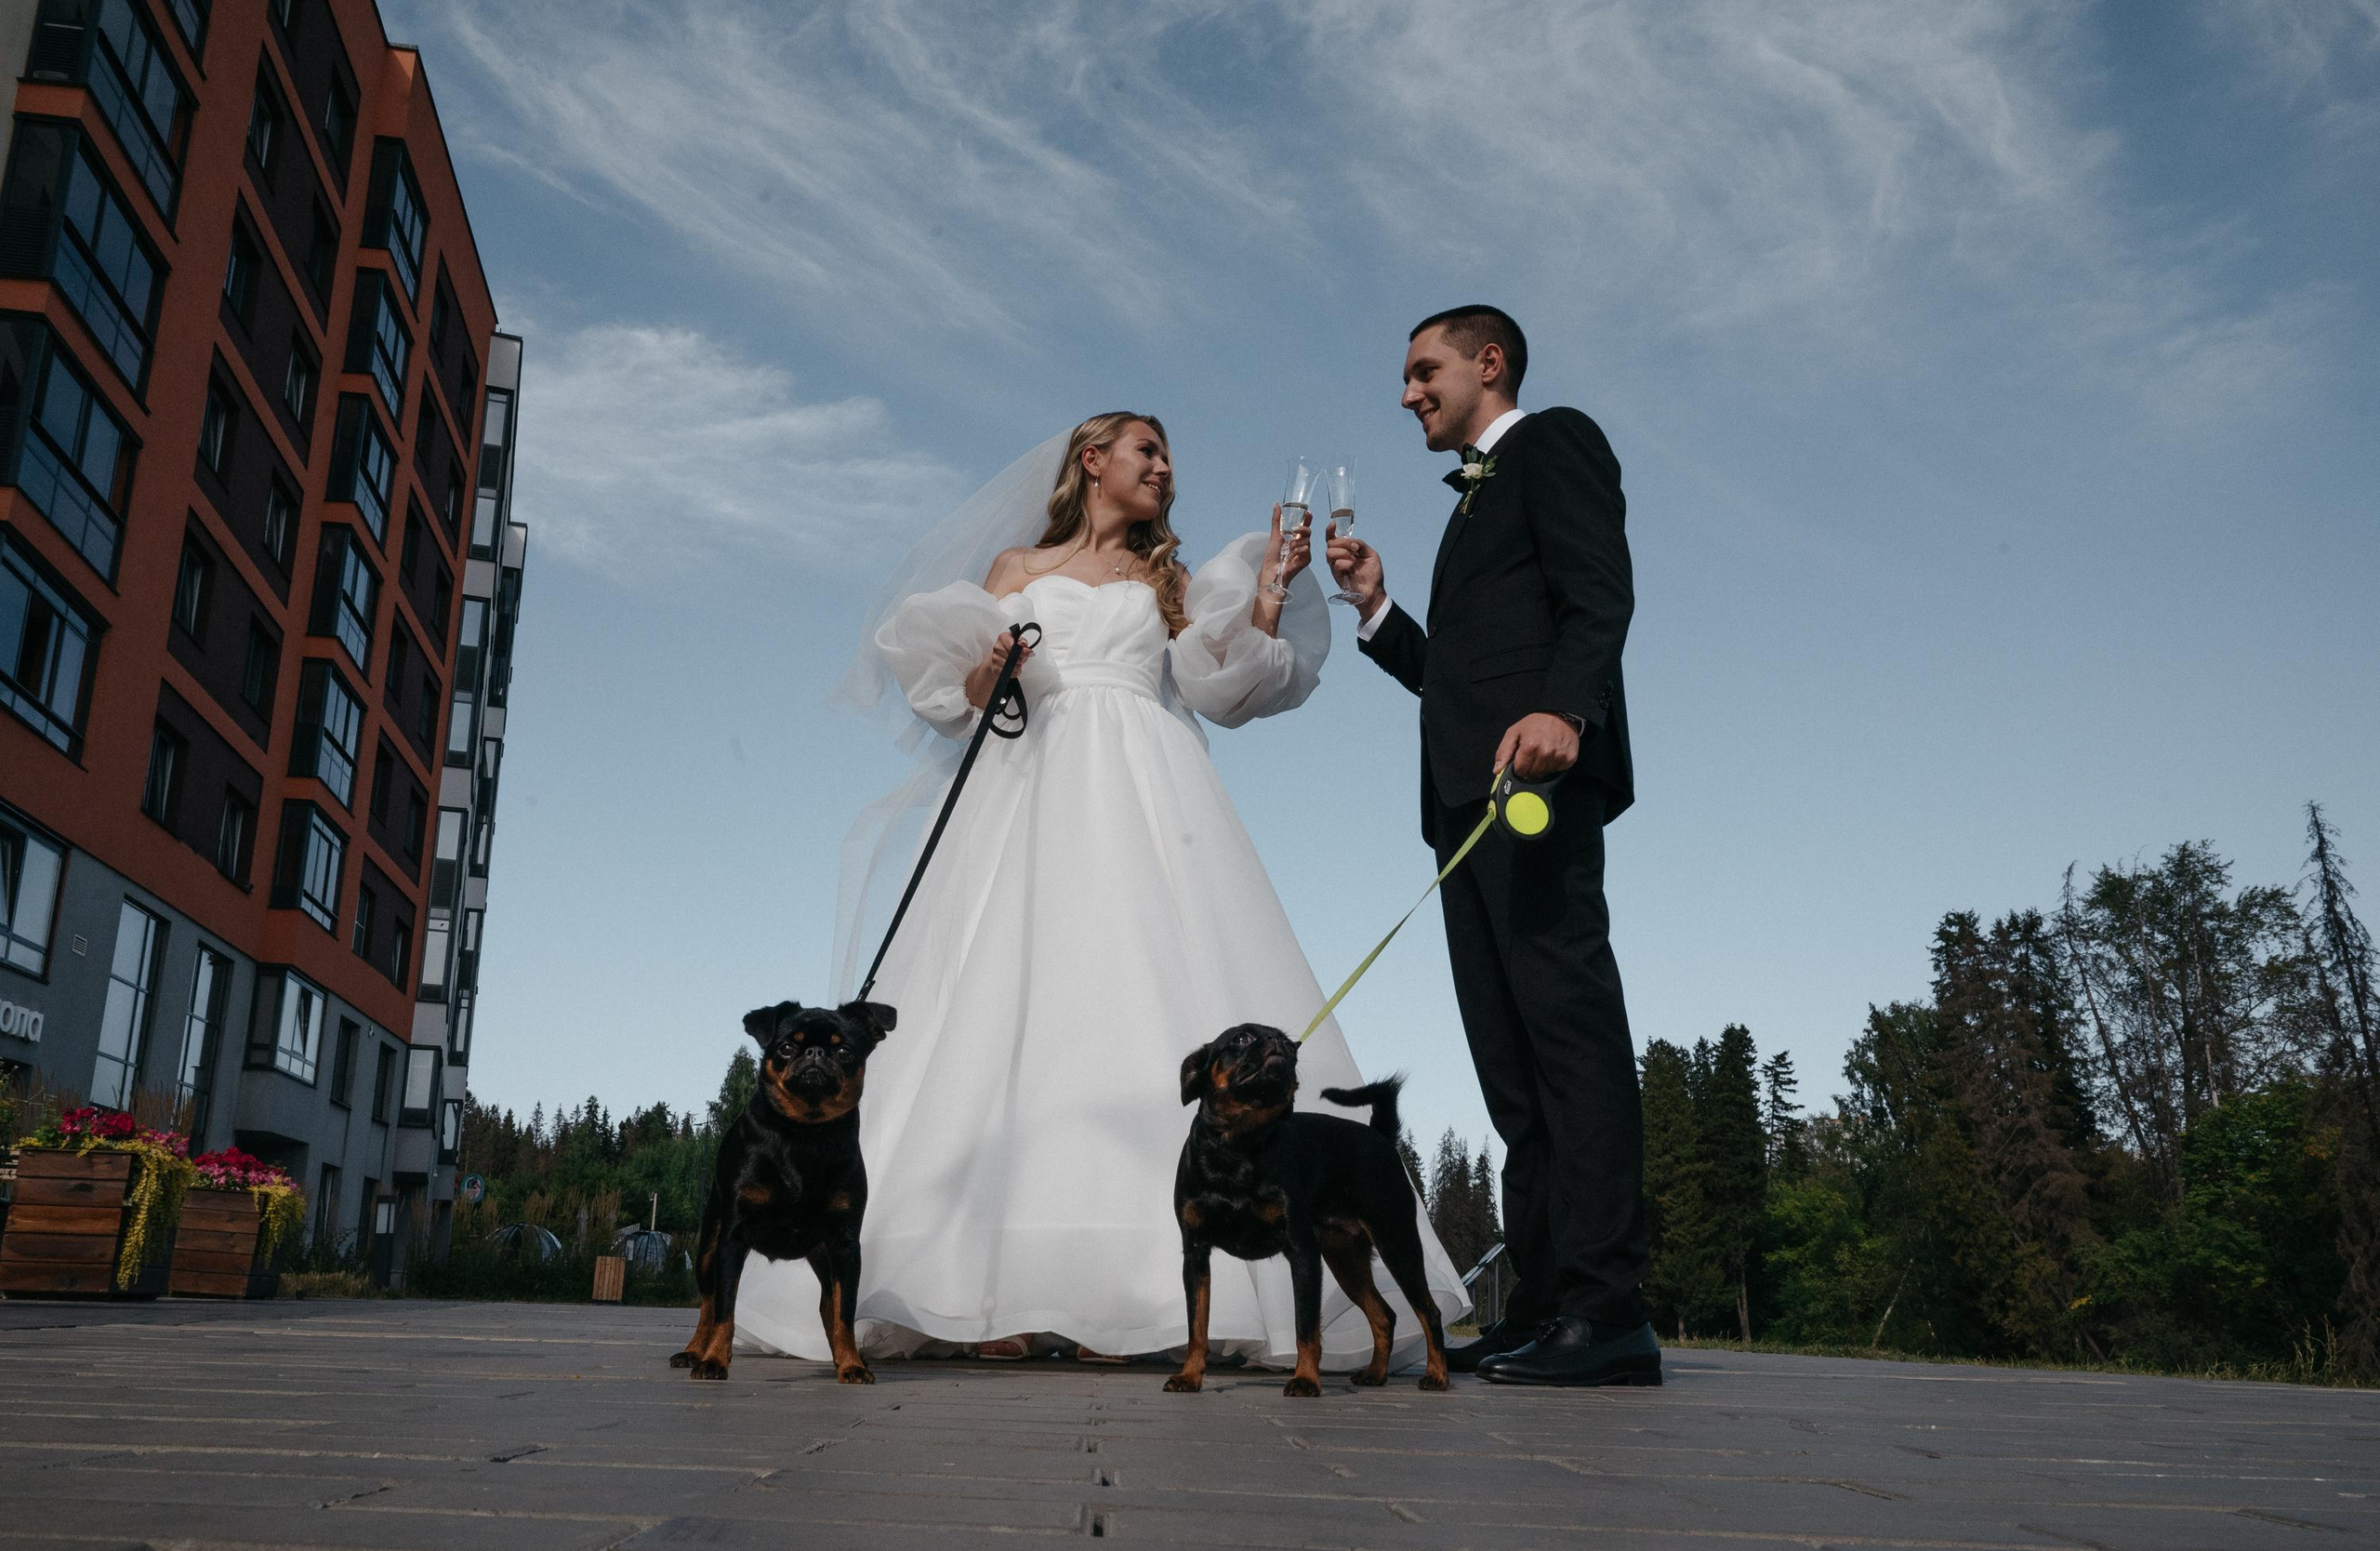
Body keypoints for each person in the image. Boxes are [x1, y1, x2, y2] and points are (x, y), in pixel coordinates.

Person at [735, 412, 1468, 1369]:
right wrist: (986, 667)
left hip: (1151, 791)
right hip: (1027, 790)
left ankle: (1139, 1302)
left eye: (1168, 456)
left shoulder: (1164, 581)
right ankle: (981, 1296)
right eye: (1147, 452)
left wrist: (1266, 599)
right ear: (1092, 461)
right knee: (1006, 1021)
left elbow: (1225, 691)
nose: (1165, 470)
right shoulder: (1009, 572)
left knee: (1136, 1011)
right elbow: (956, 706)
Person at [1327, 308, 1660, 1386]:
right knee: (1512, 1074)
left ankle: (1611, 1313)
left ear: (1489, 363)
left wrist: (1568, 710)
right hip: (1465, 812)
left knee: (1570, 1041)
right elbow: (1462, 681)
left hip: (1538, 791)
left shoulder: (1554, 441)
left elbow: (1597, 591)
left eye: (1423, 370)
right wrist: (1377, 612)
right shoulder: (1469, 501)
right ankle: (1547, 1303)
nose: (1409, 391)